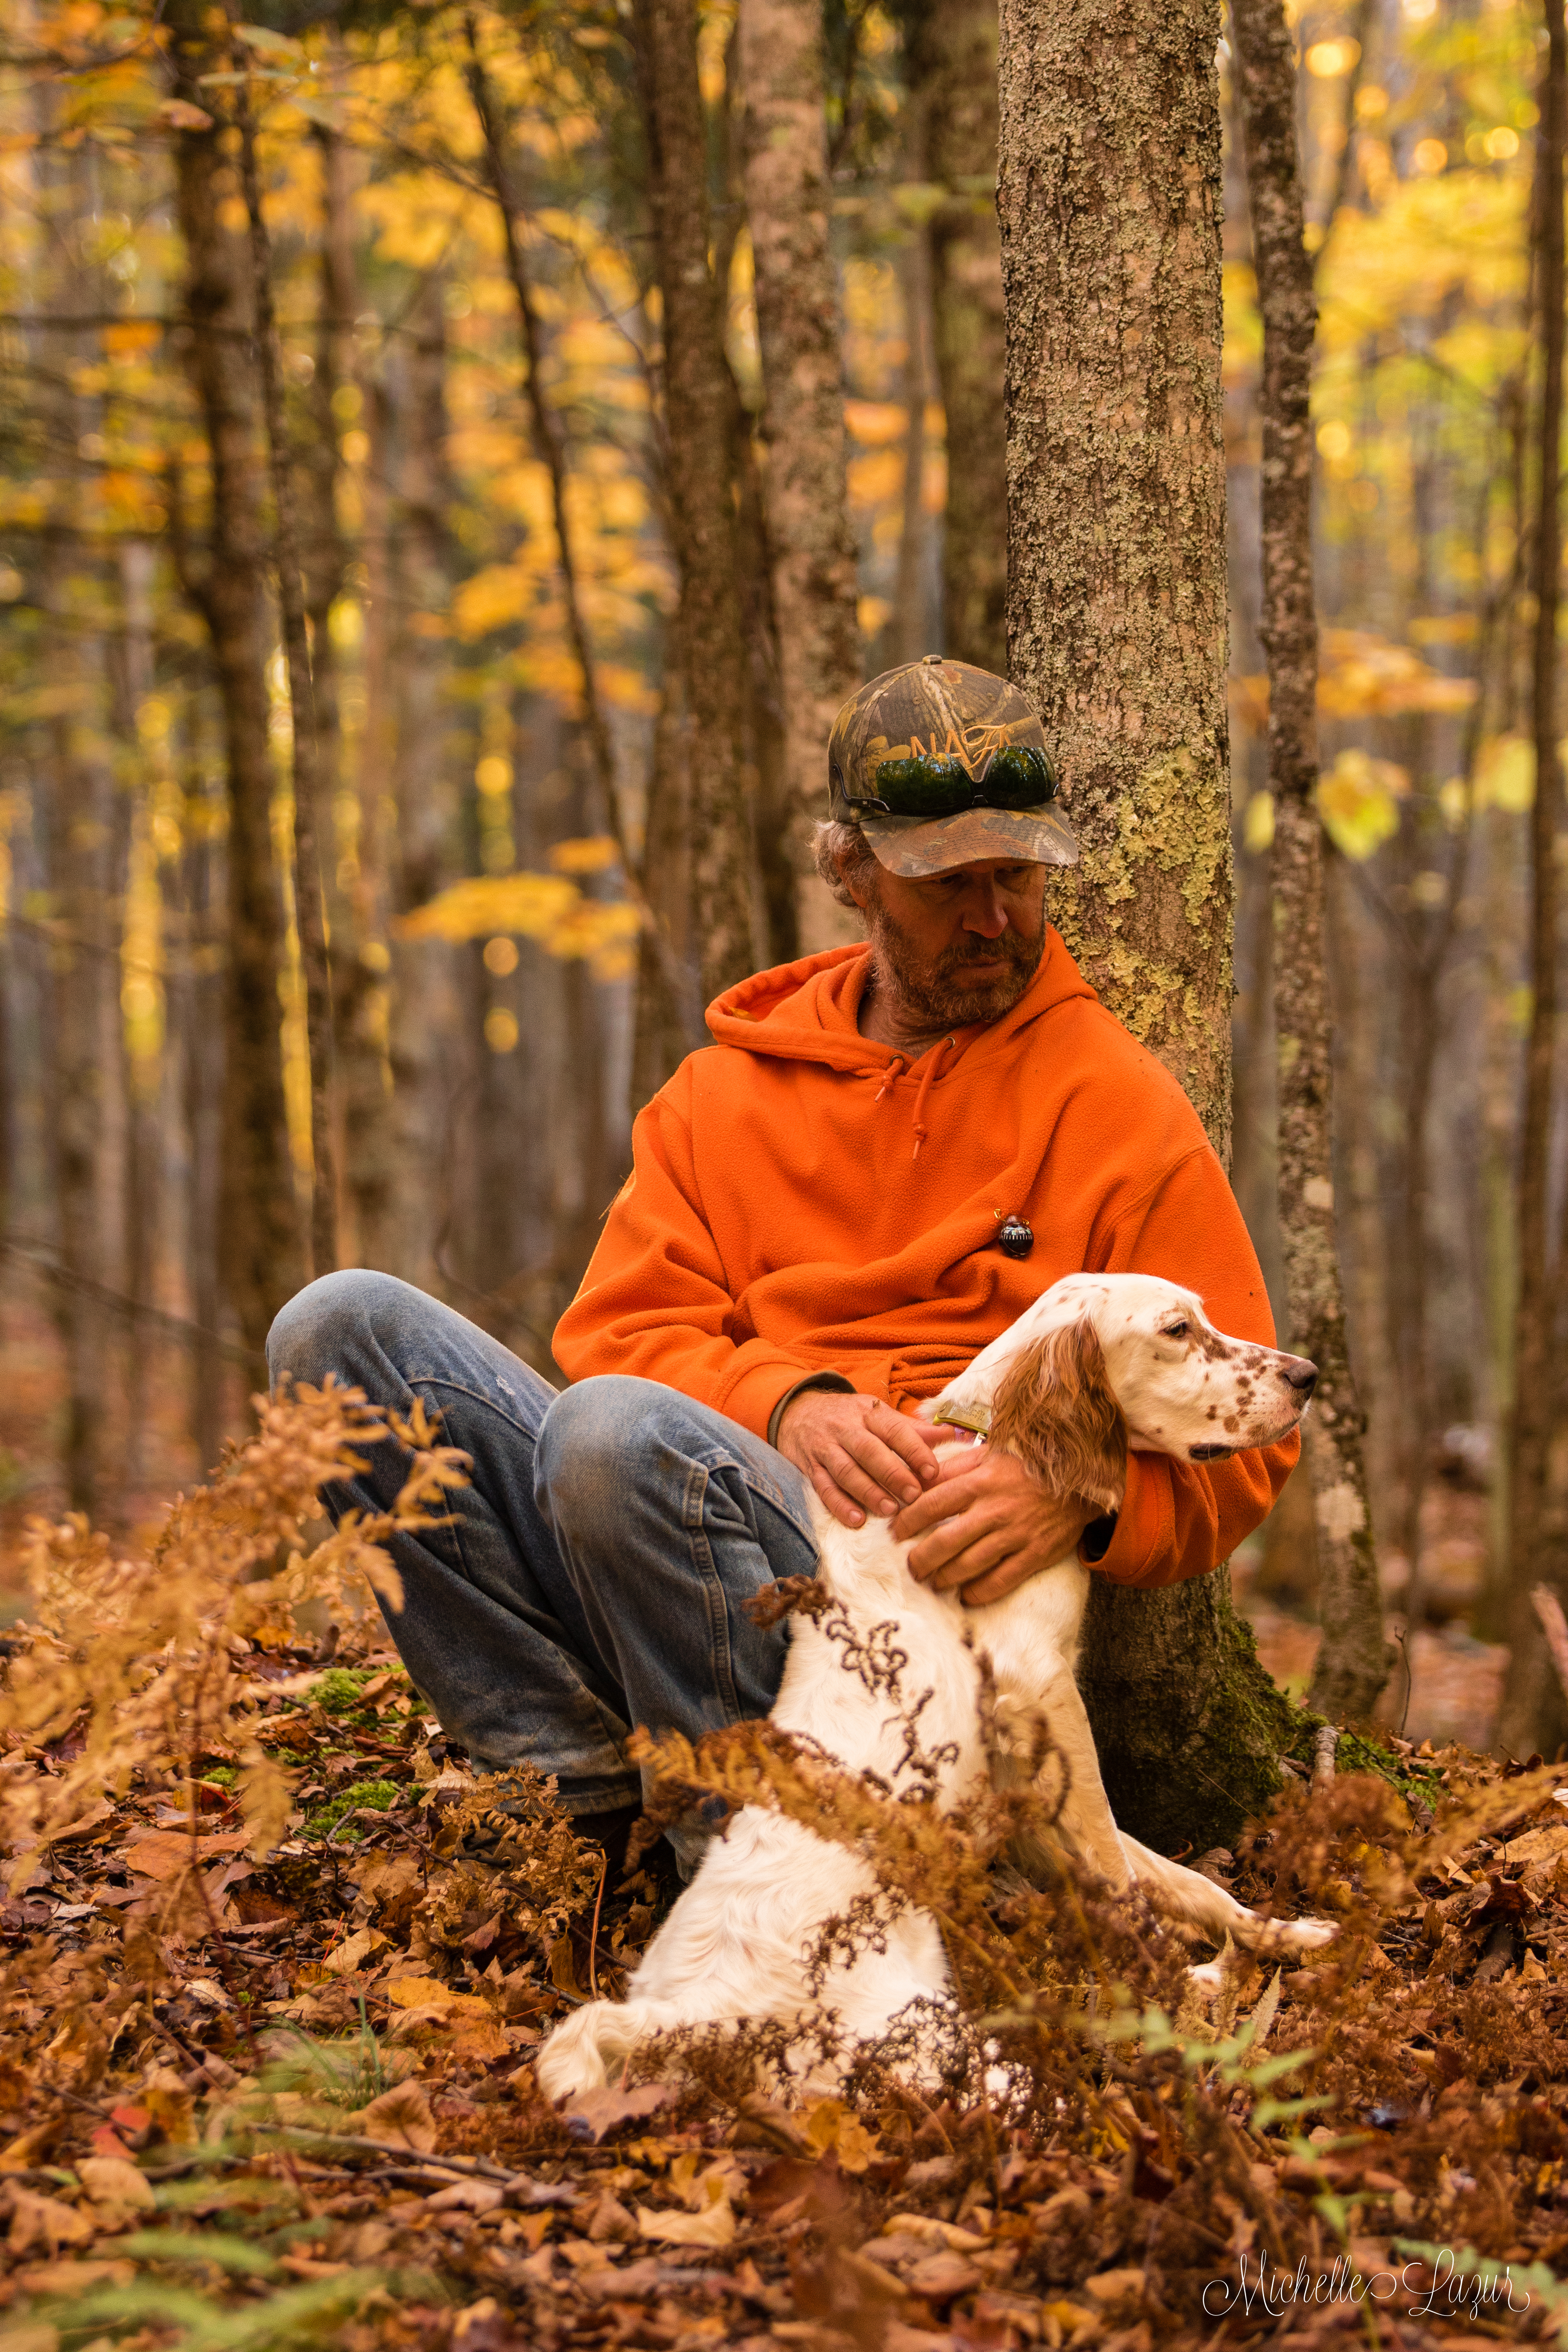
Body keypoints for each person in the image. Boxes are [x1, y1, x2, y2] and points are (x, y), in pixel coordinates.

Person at [268, 656, 1295, 1874]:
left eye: (1014, 875)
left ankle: (782, 1867)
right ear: (850, 871)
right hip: (673, 1523)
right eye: (942, 881)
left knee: (607, 1440)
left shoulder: (1116, 1103)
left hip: (905, 1613)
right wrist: (787, 1401)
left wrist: (1084, 1493)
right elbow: (619, 1337)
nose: (992, 918)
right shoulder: (722, 1096)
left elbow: (1257, 1430)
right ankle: (572, 1810)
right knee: (339, 1331)